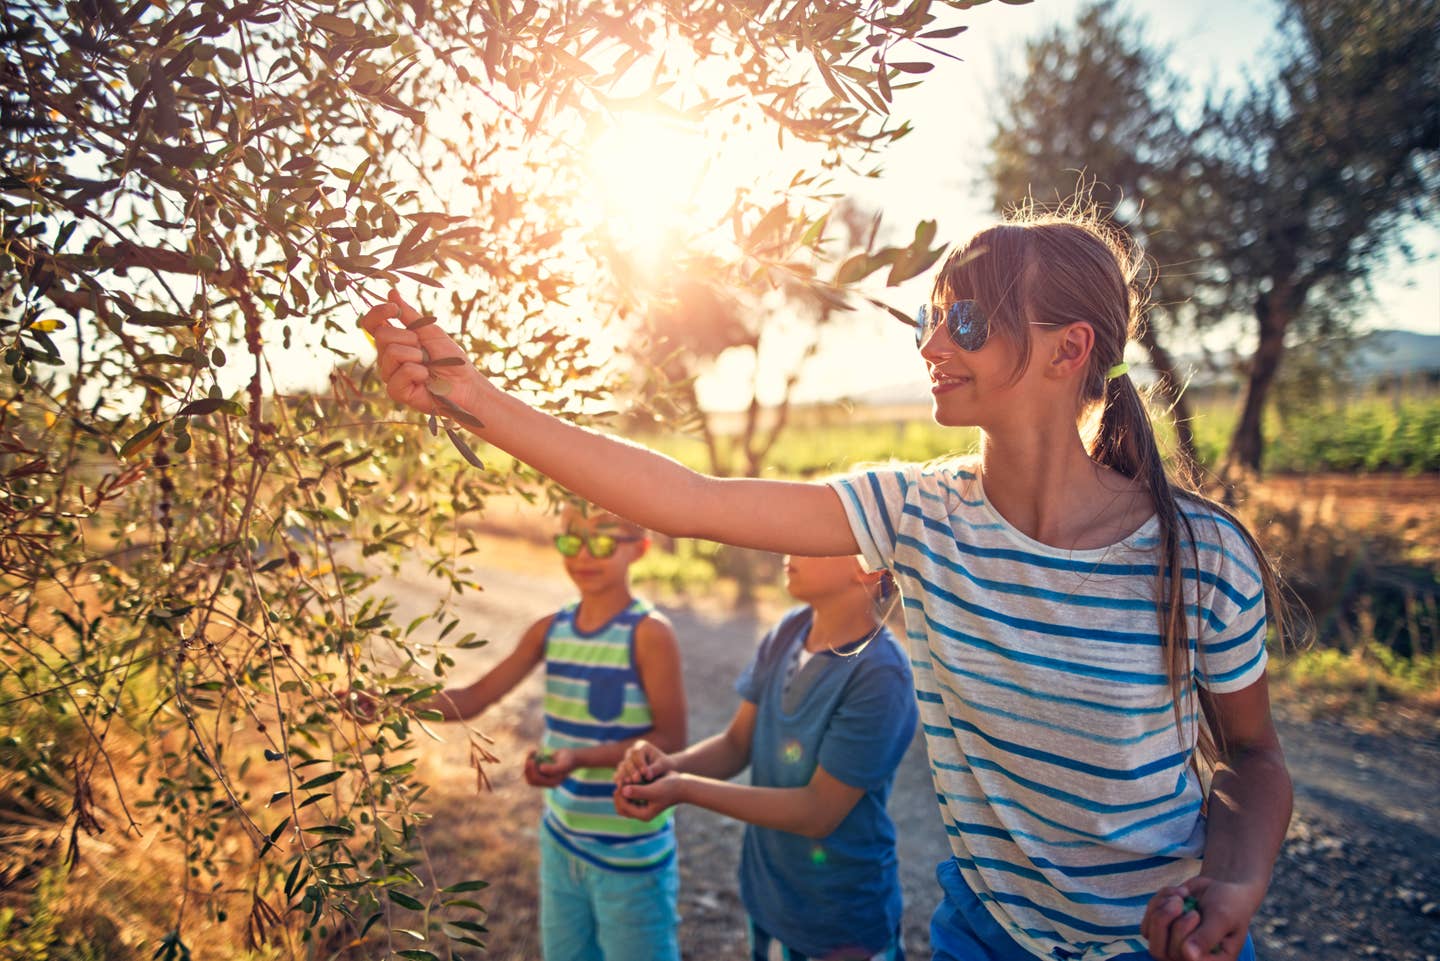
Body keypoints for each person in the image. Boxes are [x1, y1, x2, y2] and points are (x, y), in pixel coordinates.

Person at [358, 209, 1294, 961]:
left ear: (1066, 350)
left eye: (966, 321)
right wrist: (475, 400)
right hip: (982, 933)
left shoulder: (1199, 554)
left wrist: (1236, 885)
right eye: (933, 317)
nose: (934, 342)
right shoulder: (916, 514)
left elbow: (1251, 759)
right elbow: (685, 497)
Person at [348, 504, 687, 961]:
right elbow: (473, 698)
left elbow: (670, 738)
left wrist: (577, 759)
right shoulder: (550, 629)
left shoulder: (649, 633)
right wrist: (389, 701)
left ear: (640, 550)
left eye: (603, 541)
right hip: (561, 837)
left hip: (630, 850)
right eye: (571, 540)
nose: (584, 554)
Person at [613, 554, 919, 961]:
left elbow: (817, 811)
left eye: (812, 540)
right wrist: (666, 766)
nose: (790, 547)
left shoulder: (881, 676)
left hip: (840, 921)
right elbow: (737, 744)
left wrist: (683, 789)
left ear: (869, 569)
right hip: (771, 898)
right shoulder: (790, 629)